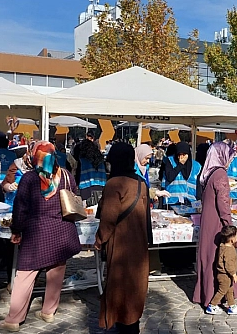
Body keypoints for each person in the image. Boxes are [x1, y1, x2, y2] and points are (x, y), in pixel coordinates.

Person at [0, 141, 81, 332]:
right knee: (56, 273)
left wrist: (16, 231)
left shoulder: (30, 179)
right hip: (62, 230)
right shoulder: (66, 175)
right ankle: (48, 312)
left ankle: (13, 320)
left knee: (25, 275)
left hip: (37, 233)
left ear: (36, 156)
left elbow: (20, 208)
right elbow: (75, 195)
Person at [95, 142, 150, 333]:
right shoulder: (141, 182)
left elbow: (108, 219)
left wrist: (100, 239)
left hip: (120, 243)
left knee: (119, 285)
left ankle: (122, 323)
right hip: (139, 243)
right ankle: (132, 323)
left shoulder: (114, 184)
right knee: (135, 284)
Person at [193, 142, 237, 306]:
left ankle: (207, 294)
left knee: (209, 257)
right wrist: (230, 225)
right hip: (216, 223)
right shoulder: (220, 174)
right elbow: (223, 203)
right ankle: (216, 297)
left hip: (208, 220)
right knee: (219, 259)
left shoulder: (209, 172)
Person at [205, 225, 237, 315]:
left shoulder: (222, 246)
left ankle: (232, 306)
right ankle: (212, 305)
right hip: (225, 275)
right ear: (232, 239)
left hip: (225, 275)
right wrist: (234, 275)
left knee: (230, 290)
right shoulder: (228, 250)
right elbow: (229, 265)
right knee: (222, 291)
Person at [161, 142, 201, 206]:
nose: (181, 157)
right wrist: (180, 165)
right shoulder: (170, 161)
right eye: (179, 154)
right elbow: (169, 177)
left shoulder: (196, 166)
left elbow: (198, 188)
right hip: (172, 202)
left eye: (184, 154)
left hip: (191, 203)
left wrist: (198, 204)